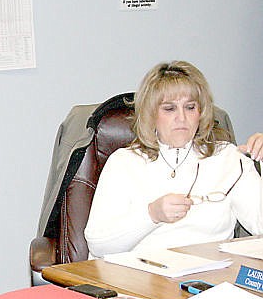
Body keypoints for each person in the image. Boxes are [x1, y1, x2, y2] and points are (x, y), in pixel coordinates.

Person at [85, 60, 263, 257]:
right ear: (151, 114)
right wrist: (152, 215)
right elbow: (97, 245)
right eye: (169, 109)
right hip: (139, 280)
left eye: (190, 107)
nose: (182, 118)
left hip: (210, 279)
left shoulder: (229, 159)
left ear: (201, 113)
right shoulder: (124, 163)